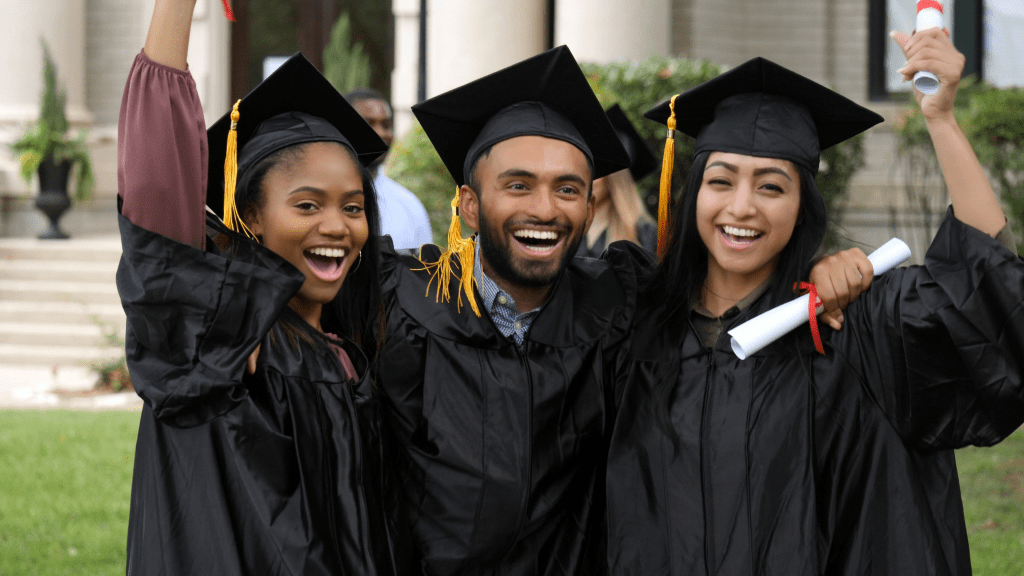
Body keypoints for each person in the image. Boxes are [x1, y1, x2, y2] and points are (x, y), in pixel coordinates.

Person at [373, 45, 868, 575]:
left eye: (567, 189)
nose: (544, 208)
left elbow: (723, 282)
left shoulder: (619, 301)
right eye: (518, 185)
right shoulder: (399, 299)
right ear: (470, 204)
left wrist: (817, 269)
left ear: (590, 207)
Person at [604, 29, 1024, 575]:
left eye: (772, 187)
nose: (742, 206)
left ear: (803, 208)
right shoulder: (636, 327)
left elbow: (983, 291)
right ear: (693, 196)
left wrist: (941, 119)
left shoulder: (857, 325)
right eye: (721, 180)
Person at [118, 1, 401, 573]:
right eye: (306, 204)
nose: (336, 227)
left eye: (353, 206)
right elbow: (157, 180)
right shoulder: (217, 345)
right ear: (249, 215)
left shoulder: (357, 349)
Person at [346, 87, 434, 250]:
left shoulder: (409, 205)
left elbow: (425, 272)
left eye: (386, 125)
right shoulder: (321, 198)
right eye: (368, 123)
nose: (380, 133)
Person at [576, 104, 658, 258]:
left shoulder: (645, 236)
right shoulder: (567, 228)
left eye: (596, 171)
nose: (586, 179)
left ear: (615, 179)